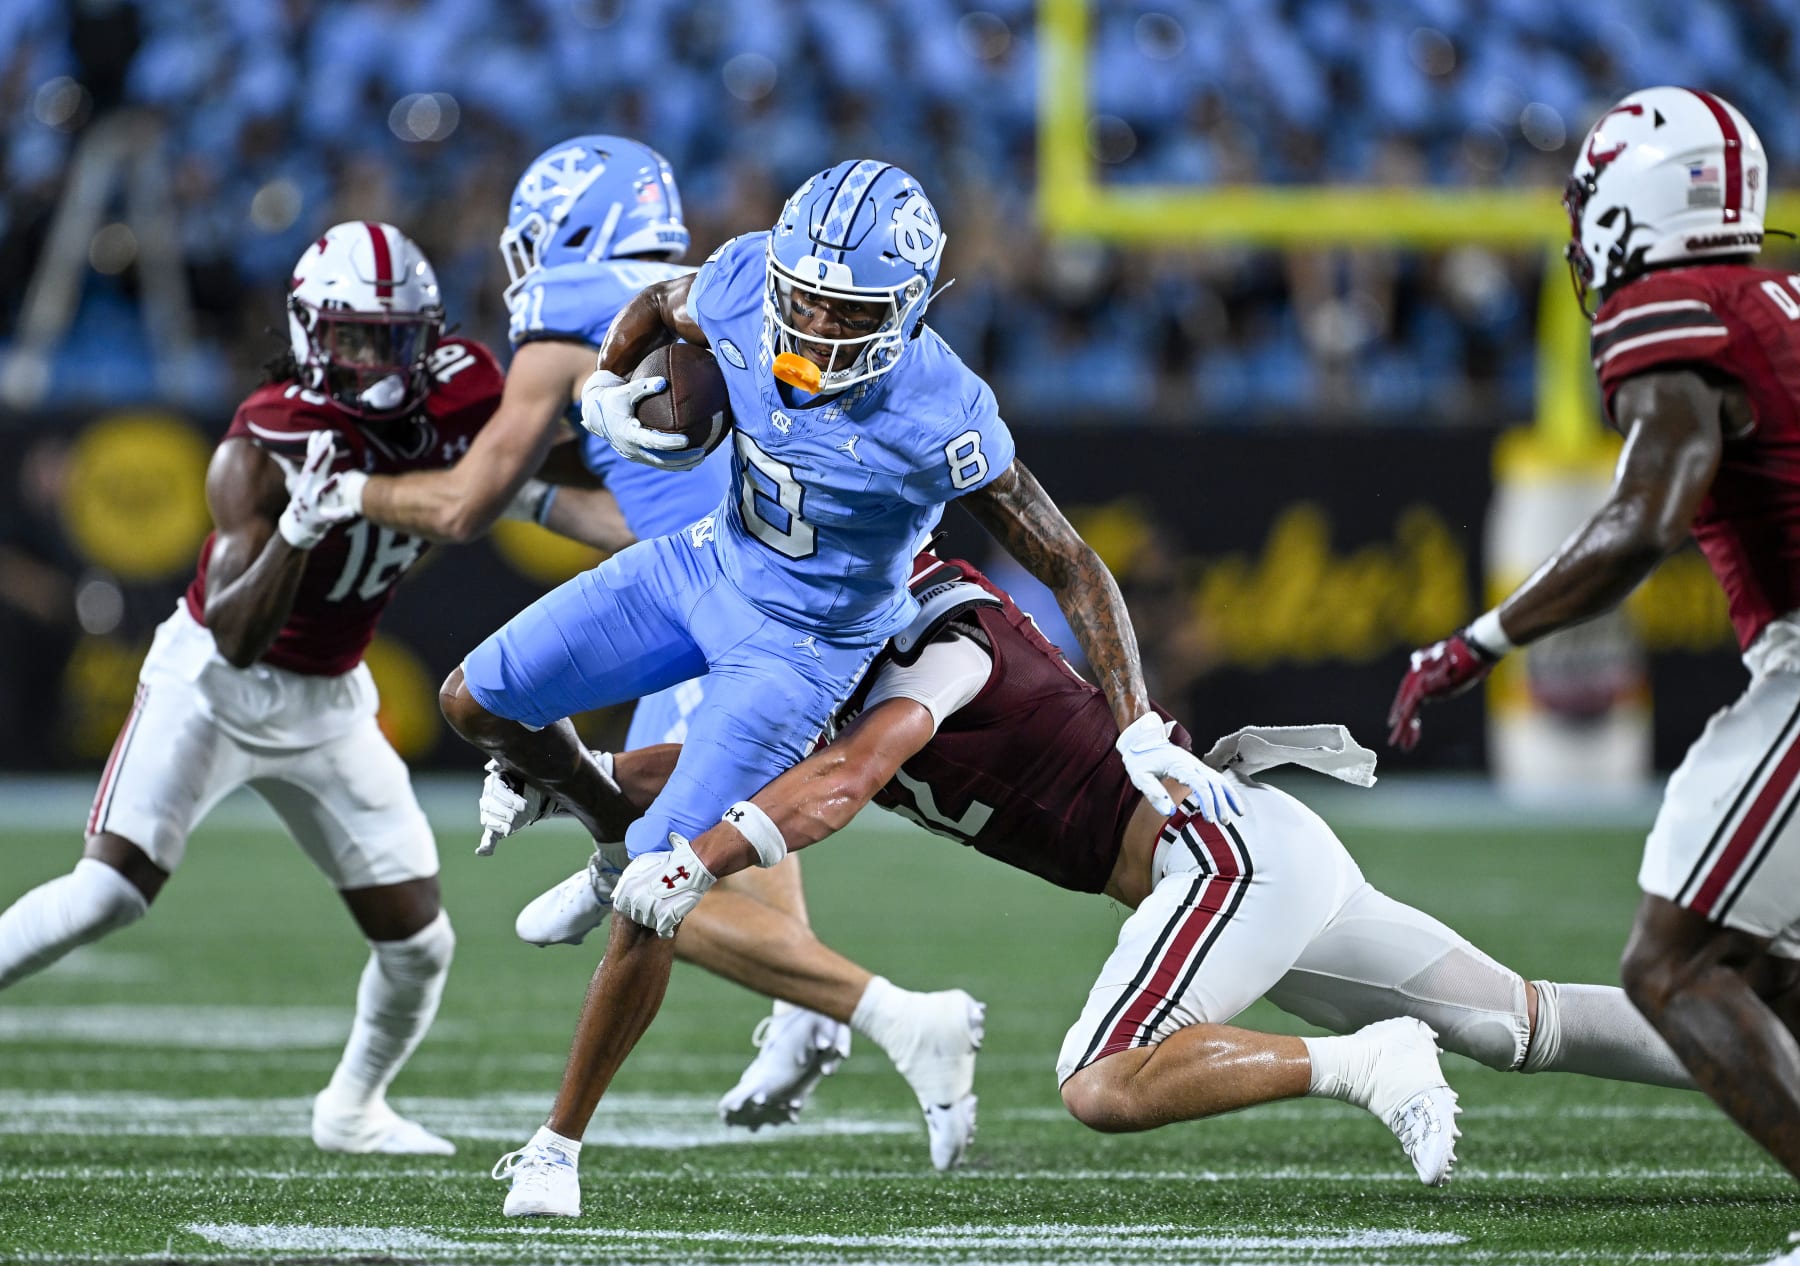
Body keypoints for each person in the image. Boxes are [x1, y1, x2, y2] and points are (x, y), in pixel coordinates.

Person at [349, 158, 1236, 1207]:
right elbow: (653, 303)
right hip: (704, 565)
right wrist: (608, 386)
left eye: (840, 308)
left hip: (803, 647)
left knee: (659, 885)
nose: (810, 323)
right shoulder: (741, 280)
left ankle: (555, 1146)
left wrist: (1134, 721)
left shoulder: (941, 407)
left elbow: (1071, 564)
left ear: (906, 308)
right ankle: (600, 823)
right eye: (801, 296)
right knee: (473, 701)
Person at [486, 551, 1697, 1217]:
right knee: (1518, 1023)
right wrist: (574, 773)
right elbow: (757, 759)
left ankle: (1363, 1061)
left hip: (1217, 860)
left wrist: (699, 857)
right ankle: (1754, 1043)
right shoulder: (847, 657)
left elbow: (847, 778)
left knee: (1103, 1081)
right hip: (1258, 855)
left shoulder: (945, 636)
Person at [323, 136, 883, 1131]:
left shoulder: (572, 320)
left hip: (731, 605)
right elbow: (646, 516)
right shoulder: (703, 293)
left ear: (578, 225)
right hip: (779, 584)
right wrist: (535, 496)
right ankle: (809, 1010)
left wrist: (350, 491)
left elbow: (457, 505)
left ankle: (865, 1009)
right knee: (704, 825)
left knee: (657, 873)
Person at [1388, 87, 1800, 1266]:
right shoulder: (1774, 298)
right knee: (1764, 969)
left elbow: (1639, 522)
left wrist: (1475, 641)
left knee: (1670, 963)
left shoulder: (1676, 310)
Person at [0, 222, 507, 1155]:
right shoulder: (264, 442)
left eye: (393, 336)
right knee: (108, 894)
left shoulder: (463, 388)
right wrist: (299, 532)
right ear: (312, 334)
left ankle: (353, 1106)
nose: (374, 358)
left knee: (420, 941)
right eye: (352, 335)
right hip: (214, 685)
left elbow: (521, 460)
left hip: (327, 695)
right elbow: (235, 635)